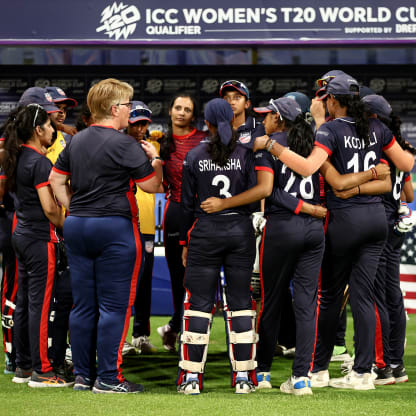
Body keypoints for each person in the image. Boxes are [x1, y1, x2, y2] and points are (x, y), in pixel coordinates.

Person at [253, 74, 414, 390]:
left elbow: (311, 169)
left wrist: (271, 145)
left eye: (325, 97)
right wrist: (367, 177)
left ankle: (318, 369)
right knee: (364, 297)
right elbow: (405, 165)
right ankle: (363, 374)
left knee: (326, 298)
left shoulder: (329, 130)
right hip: (376, 222)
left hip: (343, 224)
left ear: (333, 101)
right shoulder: (376, 129)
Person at [201, 97, 327, 395]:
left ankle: (264, 372)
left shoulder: (267, 145)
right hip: (314, 231)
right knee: (307, 305)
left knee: (271, 302)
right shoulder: (313, 145)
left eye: (268, 115)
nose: (264, 120)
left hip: (283, 227)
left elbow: (269, 192)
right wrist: (310, 210)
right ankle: (301, 378)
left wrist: (299, 208)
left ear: (278, 118)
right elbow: (321, 187)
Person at [49, 78, 163, 394]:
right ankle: (110, 378)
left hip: (78, 226)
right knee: (114, 307)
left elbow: (55, 181)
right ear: (114, 109)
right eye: (127, 105)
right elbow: (152, 186)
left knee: (83, 306)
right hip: (114, 228)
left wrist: (76, 208)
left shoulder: (76, 141)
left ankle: (84, 377)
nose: (130, 110)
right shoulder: (125, 143)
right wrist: (155, 158)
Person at [177, 98, 259, 395]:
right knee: (240, 303)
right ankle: (243, 379)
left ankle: (190, 380)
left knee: (199, 304)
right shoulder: (247, 154)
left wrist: (185, 242)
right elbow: (254, 197)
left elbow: (186, 206)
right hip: (240, 232)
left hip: (205, 234)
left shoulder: (194, 155)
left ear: (206, 122)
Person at [2, 103, 71, 387]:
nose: (52, 129)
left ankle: (23, 365)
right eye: (49, 125)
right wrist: (70, 228)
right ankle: (43, 371)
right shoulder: (40, 162)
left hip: (21, 235)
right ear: (38, 129)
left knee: (24, 303)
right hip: (40, 239)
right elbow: (51, 209)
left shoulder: (16, 158)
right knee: (40, 305)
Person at [361, 94, 416, 385]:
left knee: (376, 296)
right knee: (393, 295)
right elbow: (408, 195)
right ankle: (396, 363)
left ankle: (382, 367)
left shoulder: (376, 147)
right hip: (395, 222)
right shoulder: (400, 147)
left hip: (378, 223)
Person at [158, 93, 207, 352]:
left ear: (193, 115)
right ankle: (178, 328)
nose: (181, 112)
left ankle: (181, 327)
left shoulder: (203, 140)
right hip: (175, 212)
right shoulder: (161, 143)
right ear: (170, 110)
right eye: (177, 107)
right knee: (178, 277)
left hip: (202, 213)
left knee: (198, 276)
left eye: (187, 109)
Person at [126, 101, 158, 354]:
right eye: (136, 123)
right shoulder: (116, 145)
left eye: (144, 124)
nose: (140, 129)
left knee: (144, 282)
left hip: (145, 224)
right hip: (121, 222)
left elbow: (159, 185)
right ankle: (120, 338)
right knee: (120, 283)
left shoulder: (153, 147)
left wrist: (154, 158)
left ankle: (141, 334)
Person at [45, 86, 78, 164]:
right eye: (57, 107)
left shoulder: (59, 132)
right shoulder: (37, 135)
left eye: (64, 109)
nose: (62, 113)